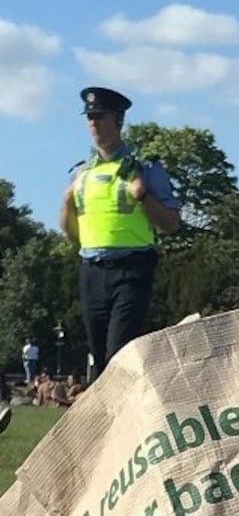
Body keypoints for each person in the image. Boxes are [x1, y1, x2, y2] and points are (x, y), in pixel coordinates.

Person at [59, 87, 181, 377]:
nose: (92, 122)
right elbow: (72, 234)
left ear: (117, 120)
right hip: (91, 271)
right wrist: (66, 205)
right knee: (100, 361)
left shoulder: (144, 168)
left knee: (120, 355)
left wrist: (143, 196)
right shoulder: (82, 174)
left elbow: (172, 223)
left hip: (131, 270)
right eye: (89, 116)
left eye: (99, 116)